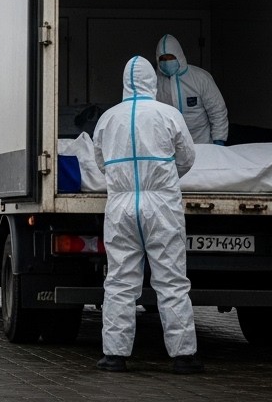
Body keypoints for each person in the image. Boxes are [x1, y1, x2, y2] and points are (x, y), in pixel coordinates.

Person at [93, 56, 202, 374]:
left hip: (121, 206)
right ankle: (183, 357)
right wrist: (164, 178)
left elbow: (101, 162)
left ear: (125, 82)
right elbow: (187, 157)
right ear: (152, 81)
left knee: (119, 281)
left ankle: (115, 355)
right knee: (171, 281)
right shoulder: (168, 114)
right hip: (162, 207)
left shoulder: (108, 119)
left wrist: (123, 179)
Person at [154, 34, 229, 145]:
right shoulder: (155, 81)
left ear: (179, 56)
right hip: (169, 145)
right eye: (163, 59)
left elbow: (217, 110)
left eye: (170, 57)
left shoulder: (200, 78)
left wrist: (219, 138)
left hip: (201, 143)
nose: (167, 62)